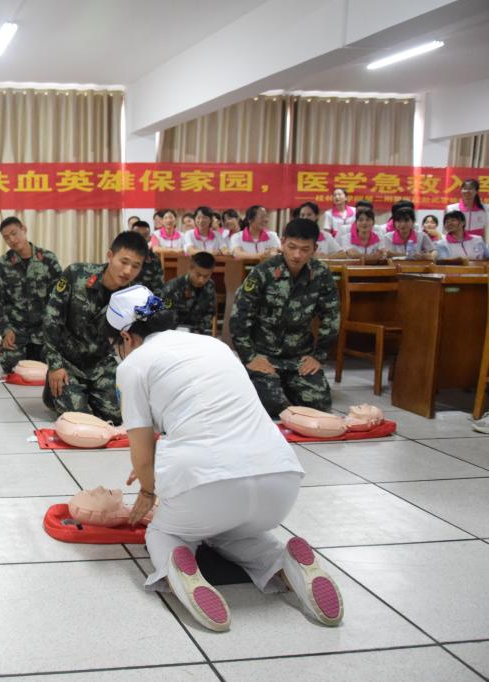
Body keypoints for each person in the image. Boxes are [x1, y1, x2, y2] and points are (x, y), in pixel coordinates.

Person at [107, 285, 342, 632]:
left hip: (207, 486)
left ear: (125, 336)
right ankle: (283, 560)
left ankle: (180, 569)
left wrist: (147, 491)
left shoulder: (134, 365)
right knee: (230, 532)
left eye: (116, 346)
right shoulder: (214, 344)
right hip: (280, 482)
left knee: (164, 531)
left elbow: (142, 456)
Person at [229, 219, 340, 417]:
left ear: (314, 248)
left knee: (319, 405)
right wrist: (250, 357)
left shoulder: (321, 275)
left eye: (305, 249)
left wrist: (318, 356)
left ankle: (288, 386)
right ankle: (273, 387)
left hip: (298, 358)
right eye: (292, 247)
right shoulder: (263, 273)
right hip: (264, 357)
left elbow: (331, 317)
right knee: (272, 407)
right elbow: (239, 318)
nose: (297, 255)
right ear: (282, 243)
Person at [42, 232, 148, 424]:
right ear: (109, 256)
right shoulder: (76, 274)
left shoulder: (133, 297)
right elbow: (51, 319)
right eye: (124, 261)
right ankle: (55, 392)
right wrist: (55, 365)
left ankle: (87, 393)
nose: (127, 270)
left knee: (118, 416)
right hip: (68, 362)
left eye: (135, 266)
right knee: (81, 420)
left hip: (100, 364)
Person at [0, 217, 63, 374]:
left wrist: (56, 329)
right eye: (6, 237)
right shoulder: (1, 265)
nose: (12, 240)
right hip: (17, 330)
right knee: (10, 364)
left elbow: (60, 298)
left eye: (14, 233)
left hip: (44, 329)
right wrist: (5, 330)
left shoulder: (48, 259)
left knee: (56, 362)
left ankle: (37, 353)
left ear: (24, 229)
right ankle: (28, 353)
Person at [162, 251, 217, 335]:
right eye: (198, 275)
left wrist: (199, 330)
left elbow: (210, 312)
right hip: (173, 333)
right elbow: (165, 316)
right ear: (190, 268)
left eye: (206, 276)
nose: (201, 280)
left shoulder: (210, 286)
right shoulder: (173, 287)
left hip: (198, 333)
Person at [132, 221, 165, 292]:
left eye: (144, 235)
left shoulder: (154, 259)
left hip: (147, 299)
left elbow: (158, 287)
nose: (140, 238)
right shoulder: (122, 255)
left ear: (149, 238)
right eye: (137, 234)